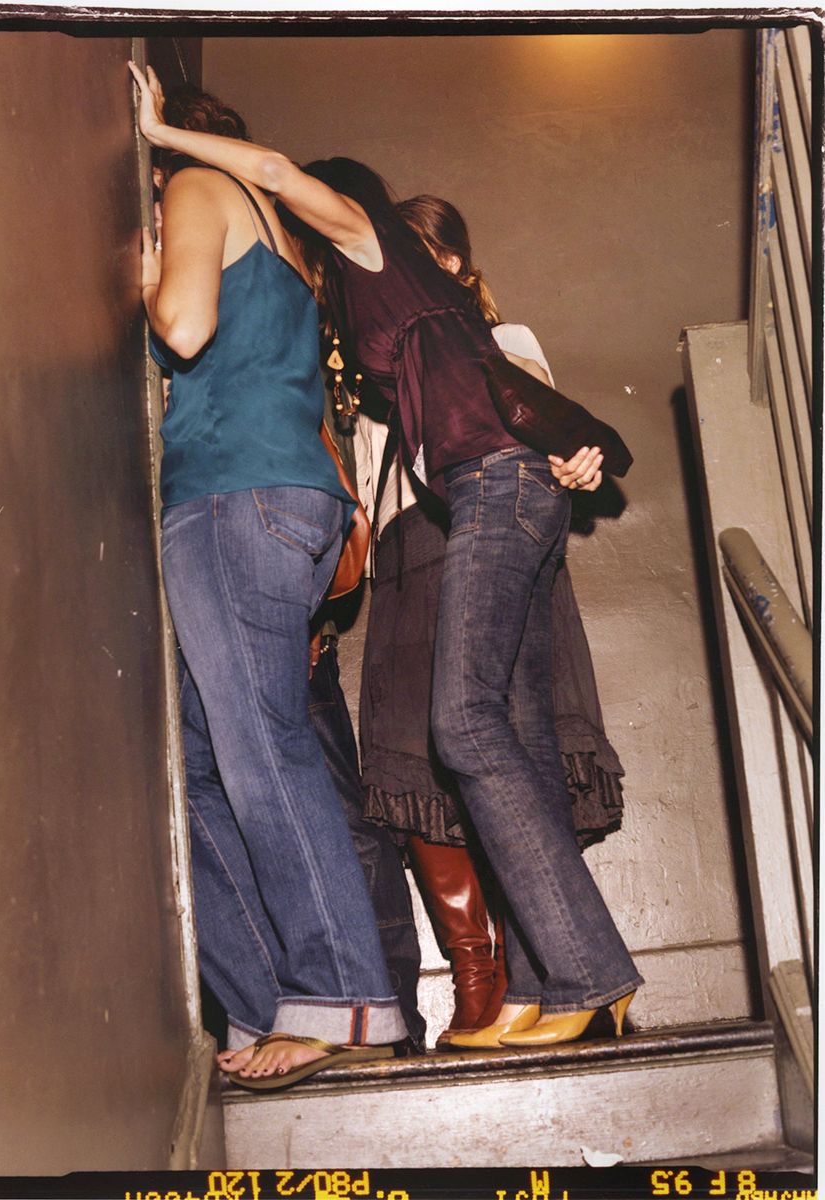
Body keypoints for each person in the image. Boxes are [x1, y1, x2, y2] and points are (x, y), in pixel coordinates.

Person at [131, 69, 642, 1050]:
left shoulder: (370, 242)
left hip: (492, 483)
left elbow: (274, 171)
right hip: (491, 486)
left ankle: (584, 973)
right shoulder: (368, 297)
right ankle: (553, 978)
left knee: (463, 726)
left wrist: (164, 134)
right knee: (513, 736)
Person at [129, 66, 407, 1089]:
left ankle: (344, 998)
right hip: (274, 499)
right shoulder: (285, 243)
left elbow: (184, 327)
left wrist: (146, 274)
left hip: (233, 495)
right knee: (200, 769)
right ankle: (261, 1003)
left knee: (263, 753)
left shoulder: (197, 188)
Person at [354, 195, 627, 1047]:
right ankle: (527, 982)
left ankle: (572, 972)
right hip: (409, 563)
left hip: (487, 529)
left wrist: (575, 465)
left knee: (486, 739)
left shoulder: (496, 341)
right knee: (455, 763)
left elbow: (540, 427)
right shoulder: (377, 366)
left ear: (453, 265)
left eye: (422, 252)